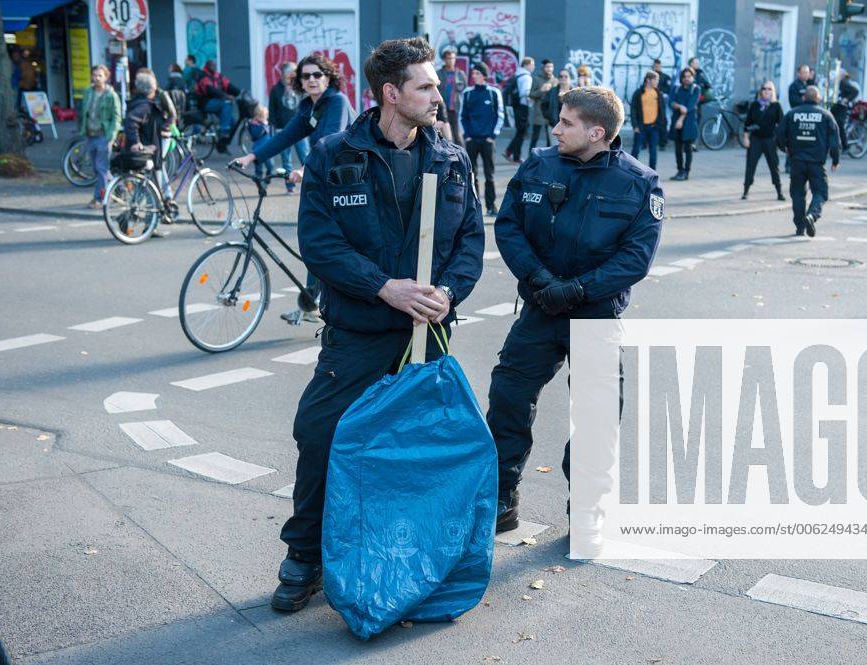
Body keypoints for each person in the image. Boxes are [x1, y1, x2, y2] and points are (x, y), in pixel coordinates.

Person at [266, 37, 483, 613]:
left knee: (422, 452)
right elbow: (319, 244)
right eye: (426, 86)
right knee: (319, 436)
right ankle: (304, 556)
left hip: (428, 336)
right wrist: (383, 287)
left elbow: (469, 243)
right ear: (392, 93)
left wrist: (449, 291)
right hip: (358, 335)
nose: (439, 94)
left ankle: (420, 559)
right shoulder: (335, 156)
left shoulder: (451, 157)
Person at [488, 86, 663, 533]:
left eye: (566, 122)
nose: (556, 129)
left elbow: (634, 259)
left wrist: (578, 290)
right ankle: (499, 499)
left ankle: (586, 511)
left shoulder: (640, 183)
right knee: (508, 400)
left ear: (597, 131)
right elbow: (508, 228)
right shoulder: (538, 165)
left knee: (596, 416)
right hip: (540, 309)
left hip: (595, 316)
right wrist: (541, 281)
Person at [235, 54, 356, 324]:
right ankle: (312, 302)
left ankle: (327, 302)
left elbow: (330, 140)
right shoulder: (307, 108)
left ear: (328, 77)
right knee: (314, 241)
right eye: (306, 76)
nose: (312, 80)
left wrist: (304, 169)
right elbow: (285, 137)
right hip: (323, 180)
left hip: (348, 183)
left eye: (317, 74)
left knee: (330, 244)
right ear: (299, 81)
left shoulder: (337, 102)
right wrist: (252, 157)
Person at [777, 85, 840, 237]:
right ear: (818, 99)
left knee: (798, 194)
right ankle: (812, 215)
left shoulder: (792, 114)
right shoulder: (826, 115)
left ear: (804, 98)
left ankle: (800, 228)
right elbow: (834, 142)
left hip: (796, 161)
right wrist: (835, 160)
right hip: (816, 163)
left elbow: (779, 135)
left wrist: (785, 148)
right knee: (821, 192)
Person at [123, 68, 177, 237]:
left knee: (147, 192)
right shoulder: (145, 105)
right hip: (148, 153)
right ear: (151, 89)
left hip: (148, 152)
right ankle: (136, 224)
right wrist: (137, 143)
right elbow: (131, 123)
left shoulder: (138, 102)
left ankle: (149, 226)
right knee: (149, 192)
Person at [461, 62, 505, 216]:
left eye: (477, 73)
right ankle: (474, 207)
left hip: (487, 141)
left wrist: (492, 136)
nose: (474, 76)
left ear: (484, 75)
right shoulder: (467, 93)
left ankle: (491, 206)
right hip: (472, 140)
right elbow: (463, 116)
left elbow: (500, 115)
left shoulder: (494, 93)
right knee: (472, 175)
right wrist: (466, 136)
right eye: (473, 74)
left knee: (489, 175)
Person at [79, 64, 122, 209]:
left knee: (101, 167)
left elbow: (117, 118)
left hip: (104, 135)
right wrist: (82, 130)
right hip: (90, 134)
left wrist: (111, 136)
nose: (96, 78)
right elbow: (83, 112)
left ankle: (99, 198)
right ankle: (119, 189)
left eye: (100, 75)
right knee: (98, 169)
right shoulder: (88, 92)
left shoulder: (111, 95)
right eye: (94, 75)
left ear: (106, 77)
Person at [269, 61, 309, 194]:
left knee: (306, 158)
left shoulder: (300, 88)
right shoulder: (276, 89)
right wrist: (277, 126)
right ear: (282, 75)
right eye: (288, 76)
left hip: (301, 130)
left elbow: (306, 105)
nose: (290, 78)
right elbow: (272, 110)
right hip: (284, 131)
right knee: (286, 160)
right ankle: (290, 187)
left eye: (293, 75)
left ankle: (309, 186)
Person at [742, 80, 784, 201]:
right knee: (750, 165)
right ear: (761, 91)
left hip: (770, 140)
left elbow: (781, 124)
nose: (766, 91)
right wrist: (746, 137)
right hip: (755, 139)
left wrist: (782, 141)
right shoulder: (755, 105)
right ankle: (746, 191)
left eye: (769, 89)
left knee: (774, 166)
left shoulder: (776, 106)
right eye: (764, 88)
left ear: (773, 92)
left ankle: (779, 191)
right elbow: (748, 122)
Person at [194, 60, 239, 152]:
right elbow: (210, 90)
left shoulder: (218, 76)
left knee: (233, 123)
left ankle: (222, 144)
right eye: (211, 66)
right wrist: (226, 96)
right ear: (207, 67)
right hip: (206, 103)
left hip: (217, 103)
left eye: (214, 66)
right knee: (226, 103)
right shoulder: (203, 76)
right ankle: (223, 130)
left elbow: (229, 86)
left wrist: (239, 92)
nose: (214, 67)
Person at [629, 70, 666, 170]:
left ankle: (652, 171)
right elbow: (633, 110)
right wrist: (635, 126)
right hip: (640, 127)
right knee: (636, 149)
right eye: (655, 80)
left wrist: (659, 124)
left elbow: (662, 110)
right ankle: (632, 169)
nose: (657, 82)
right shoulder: (638, 93)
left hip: (654, 127)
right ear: (648, 80)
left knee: (653, 150)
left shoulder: (658, 93)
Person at [668, 67, 699, 181]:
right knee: (677, 149)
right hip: (676, 122)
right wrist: (679, 106)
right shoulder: (676, 89)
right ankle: (680, 170)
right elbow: (671, 102)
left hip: (688, 123)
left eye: (689, 76)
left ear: (692, 77)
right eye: (684, 76)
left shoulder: (695, 89)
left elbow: (690, 107)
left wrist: (681, 119)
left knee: (688, 148)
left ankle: (686, 172)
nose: (687, 78)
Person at [503, 57, 534, 163]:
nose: (533, 67)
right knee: (522, 131)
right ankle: (510, 151)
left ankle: (515, 155)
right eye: (532, 64)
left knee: (520, 131)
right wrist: (531, 101)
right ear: (527, 65)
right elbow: (526, 93)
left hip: (515, 106)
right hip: (523, 107)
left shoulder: (517, 74)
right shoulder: (526, 77)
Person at [436, 48, 467, 147]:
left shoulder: (460, 74)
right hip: (442, 110)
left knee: (458, 136)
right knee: (444, 137)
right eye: (449, 58)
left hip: (456, 109)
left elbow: (464, 91)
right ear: (444, 59)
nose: (451, 60)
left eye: (453, 58)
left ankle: (462, 158)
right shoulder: (438, 73)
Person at [528, 59, 555, 150]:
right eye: (547, 67)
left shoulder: (555, 80)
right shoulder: (536, 79)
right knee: (535, 137)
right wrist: (541, 90)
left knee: (550, 139)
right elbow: (531, 94)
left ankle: (548, 159)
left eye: (551, 67)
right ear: (543, 68)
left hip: (550, 113)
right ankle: (530, 158)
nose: (549, 69)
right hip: (539, 113)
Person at [830, 70, 859, 151]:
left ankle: (845, 145)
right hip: (833, 107)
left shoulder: (843, 83)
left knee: (839, 123)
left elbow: (855, 91)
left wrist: (846, 99)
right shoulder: (831, 84)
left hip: (841, 107)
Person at [247, 105, 275, 180]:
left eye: (266, 115)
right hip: (257, 150)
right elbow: (256, 134)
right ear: (257, 116)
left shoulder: (268, 124)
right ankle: (259, 182)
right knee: (258, 168)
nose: (265, 117)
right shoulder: (254, 125)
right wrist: (264, 125)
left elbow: (272, 135)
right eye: (263, 116)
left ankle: (267, 180)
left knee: (270, 166)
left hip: (268, 149)